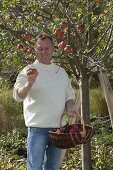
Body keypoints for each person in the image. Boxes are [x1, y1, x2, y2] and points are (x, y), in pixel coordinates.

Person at [13, 34, 77, 170]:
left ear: (53, 49)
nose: (43, 52)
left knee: (52, 167)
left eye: (47, 48)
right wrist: (28, 85)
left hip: (59, 130)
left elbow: (69, 94)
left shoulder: (61, 72)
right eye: (40, 48)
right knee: (34, 167)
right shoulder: (27, 71)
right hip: (37, 130)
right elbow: (18, 95)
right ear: (35, 49)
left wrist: (70, 105)